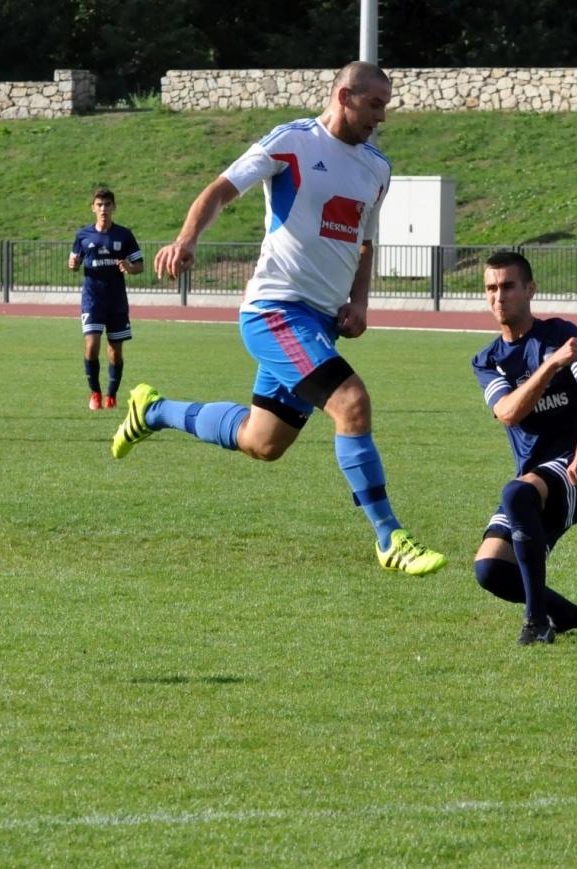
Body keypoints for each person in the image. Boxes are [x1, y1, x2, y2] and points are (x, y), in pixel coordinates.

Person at [113, 60, 446, 577]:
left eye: (385, 106)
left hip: (320, 325)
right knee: (352, 403)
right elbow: (221, 189)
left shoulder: (377, 169)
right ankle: (391, 538)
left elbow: (364, 243)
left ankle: (152, 410)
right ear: (344, 95)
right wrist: (187, 238)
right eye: (375, 104)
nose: (382, 117)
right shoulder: (293, 141)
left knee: (261, 442)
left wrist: (360, 302)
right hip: (276, 312)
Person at [471, 250, 577, 645]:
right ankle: (566, 614)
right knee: (490, 570)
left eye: (508, 286)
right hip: (536, 478)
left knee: (517, 492)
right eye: (491, 288)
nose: (499, 297)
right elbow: (509, 413)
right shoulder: (488, 361)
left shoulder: (561, 334)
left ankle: (536, 623)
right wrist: (551, 366)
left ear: (530, 289)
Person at [68, 187, 142, 409]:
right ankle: (95, 393)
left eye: (107, 205)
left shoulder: (124, 235)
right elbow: (73, 262)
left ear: (113, 207)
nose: (103, 209)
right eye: (99, 205)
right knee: (91, 345)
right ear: (93, 208)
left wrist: (130, 267)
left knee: (115, 350)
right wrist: (72, 265)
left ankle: (111, 394)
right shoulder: (83, 235)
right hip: (92, 300)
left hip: (116, 301)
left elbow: (139, 266)